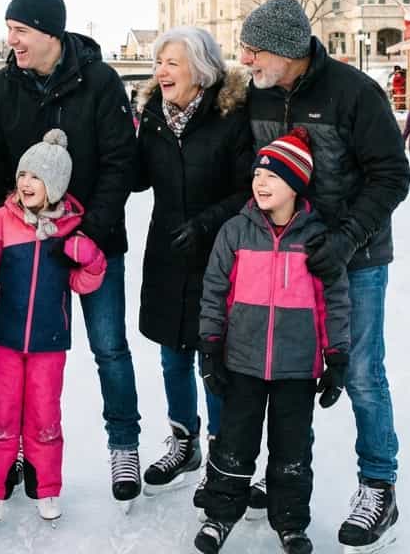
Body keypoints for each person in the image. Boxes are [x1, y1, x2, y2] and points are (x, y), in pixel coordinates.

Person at [237, 0, 407, 552]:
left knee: (360, 371)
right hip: (284, 257)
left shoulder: (355, 93)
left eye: (255, 50)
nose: (247, 60)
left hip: (354, 259)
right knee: (280, 367)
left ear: (286, 50)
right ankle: (282, 468)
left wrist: (345, 237)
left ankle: (379, 484)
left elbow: (390, 175)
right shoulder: (257, 94)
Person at [0, 0, 142, 506]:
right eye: (10, 31)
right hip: (24, 247)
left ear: (49, 32)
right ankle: (22, 450)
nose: (12, 42)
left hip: (91, 242)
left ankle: (124, 445)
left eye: (20, 31)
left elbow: (121, 164)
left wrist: (90, 233)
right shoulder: (4, 86)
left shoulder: (100, 83)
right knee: (20, 352)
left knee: (108, 345)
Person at [196, 127, 350, 554]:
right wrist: (210, 346)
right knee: (234, 442)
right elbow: (214, 291)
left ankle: (290, 522)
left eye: (272, 176)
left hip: (296, 368)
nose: (260, 183)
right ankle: (220, 515)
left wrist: (336, 357)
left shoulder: (317, 240)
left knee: (292, 449)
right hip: (242, 361)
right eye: (257, 174)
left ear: (296, 184)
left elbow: (333, 302)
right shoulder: (236, 233)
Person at [131, 27, 252, 498]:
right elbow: (140, 179)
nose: (161, 71)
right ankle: (185, 441)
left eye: (171, 63)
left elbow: (248, 189)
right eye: (159, 62)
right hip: (167, 251)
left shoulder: (229, 117)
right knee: (171, 354)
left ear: (199, 71)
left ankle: (222, 453)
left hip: (217, 254)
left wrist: (205, 224)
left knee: (213, 356)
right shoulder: (154, 118)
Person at [0, 129, 107, 524]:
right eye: (23, 174)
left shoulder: (70, 228)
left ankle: (46, 487)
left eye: (36, 177)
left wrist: (92, 260)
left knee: (45, 416)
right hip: (4, 338)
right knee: (0, 413)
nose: (25, 183)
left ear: (56, 185)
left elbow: (81, 283)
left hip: (49, 340)